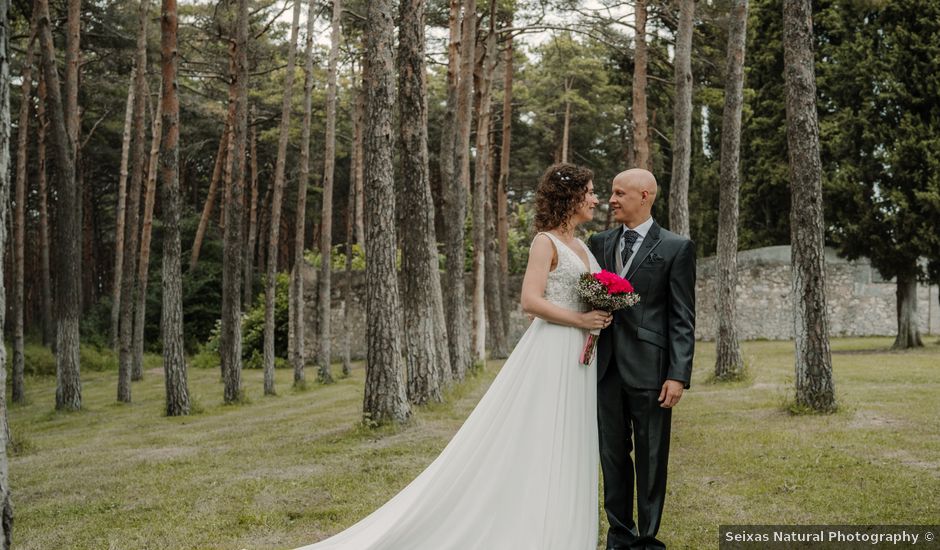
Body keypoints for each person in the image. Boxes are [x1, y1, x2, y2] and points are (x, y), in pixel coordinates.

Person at [296, 163, 611, 550]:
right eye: (591, 192)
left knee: (572, 436)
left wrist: (601, 312)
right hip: (552, 350)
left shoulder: (582, 245)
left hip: (579, 353)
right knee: (541, 434)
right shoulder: (545, 242)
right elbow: (530, 302)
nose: (597, 199)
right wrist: (580, 318)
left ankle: (566, 526)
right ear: (572, 196)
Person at [587, 169, 696, 550]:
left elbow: (682, 316)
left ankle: (648, 539)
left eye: (620, 193)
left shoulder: (675, 247)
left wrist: (678, 374)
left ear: (645, 195)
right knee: (612, 455)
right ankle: (619, 535)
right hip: (604, 369)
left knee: (652, 457)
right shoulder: (598, 242)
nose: (612, 200)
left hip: (652, 370)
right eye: (611, 192)